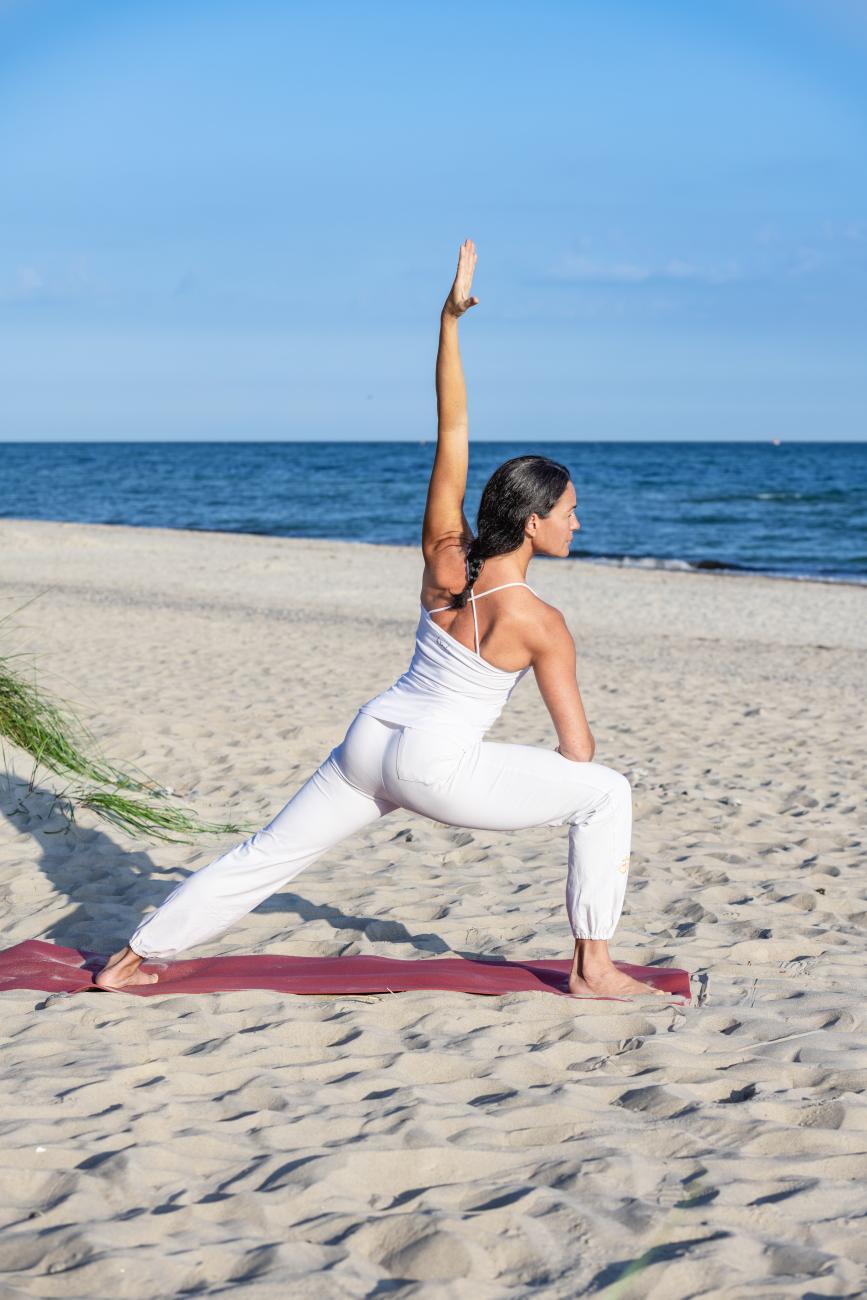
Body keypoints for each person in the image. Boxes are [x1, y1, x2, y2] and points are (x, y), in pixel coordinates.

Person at [95, 239, 660, 999]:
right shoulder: (540, 622)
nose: (577, 524)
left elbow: (450, 432)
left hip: (370, 739)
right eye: (569, 512)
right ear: (532, 523)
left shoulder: (443, 556)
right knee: (605, 790)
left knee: (269, 853)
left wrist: (448, 323)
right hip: (434, 768)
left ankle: (134, 955)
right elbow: (577, 747)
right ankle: (592, 968)